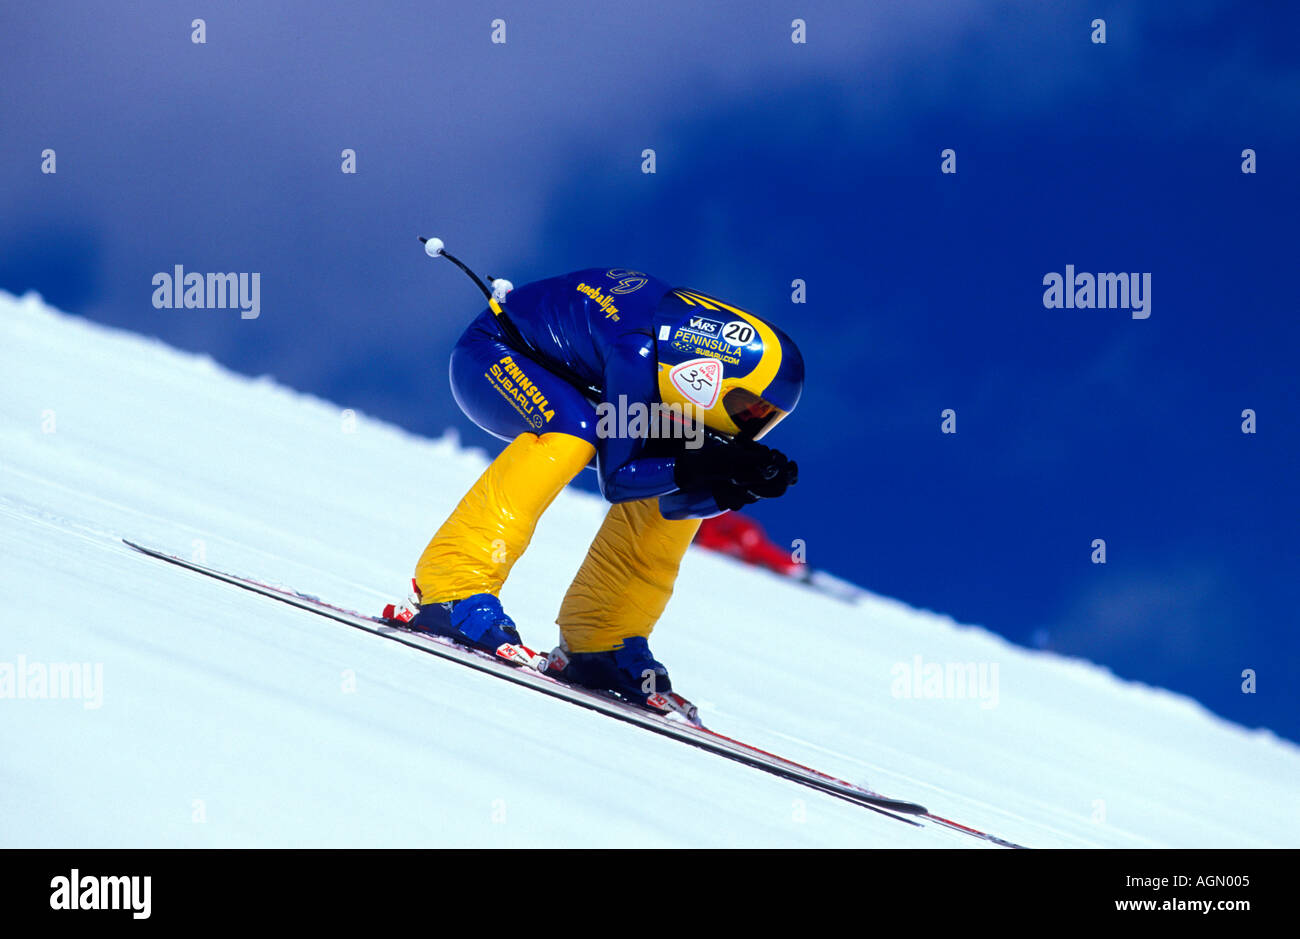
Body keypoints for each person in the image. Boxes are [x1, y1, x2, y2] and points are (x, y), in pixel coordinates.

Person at [403, 266, 803, 709]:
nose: (752, 425)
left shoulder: (673, 364)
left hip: (564, 371)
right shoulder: (639, 350)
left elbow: (671, 499)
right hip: (492, 354)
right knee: (574, 428)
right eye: (749, 408)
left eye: (767, 419)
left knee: (676, 451)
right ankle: (452, 585)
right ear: (717, 372)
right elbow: (619, 479)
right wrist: (702, 466)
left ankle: (603, 636)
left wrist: (731, 485)